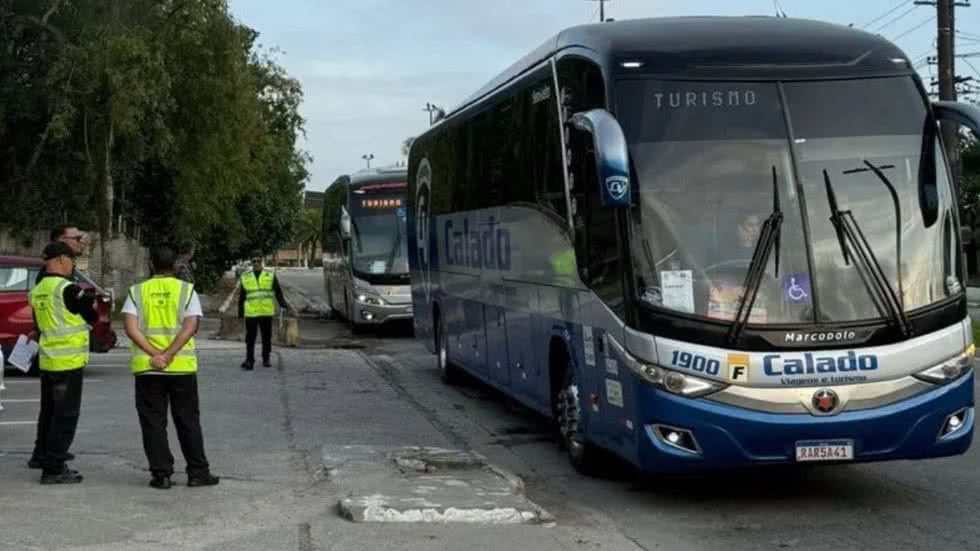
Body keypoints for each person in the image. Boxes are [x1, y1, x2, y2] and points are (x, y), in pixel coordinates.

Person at [123, 244, 219, 490]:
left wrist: (156, 355)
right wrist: (169, 355)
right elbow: (190, 328)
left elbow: (131, 330)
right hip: (182, 367)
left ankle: (161, 475)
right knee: (188, 421)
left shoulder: (136, 291)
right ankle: (198, 473)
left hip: (148, 368)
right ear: (175, 266)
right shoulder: (187, 291)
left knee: (153, 422)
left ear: (151, 265)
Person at [27, 242, 98, 484]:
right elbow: (92, 316)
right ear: (60, 260)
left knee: (49, 413)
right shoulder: (68, 289)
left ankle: (42, 456)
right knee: (65, 416)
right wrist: (92, 305)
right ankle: (55, 467)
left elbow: (38, 325)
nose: (73, 265)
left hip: (48, 361)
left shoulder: (37, 290)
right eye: (71, 260)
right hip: (68, 362)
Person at [238, 253, 291, 370]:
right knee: (250, 338)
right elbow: (242, 295)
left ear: (262, 262)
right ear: (251, 263)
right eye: (254, 261)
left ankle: (266, 358)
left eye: (258, 261)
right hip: (251, 312)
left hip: (266, 312)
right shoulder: (245, 276)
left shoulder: (270, 275)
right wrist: (240, 312)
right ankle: (249, 360)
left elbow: (278, 291)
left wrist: (283, 304)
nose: (256, 263)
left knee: (266, 337)